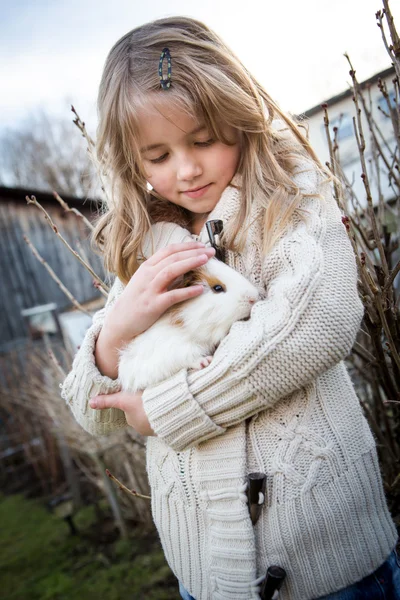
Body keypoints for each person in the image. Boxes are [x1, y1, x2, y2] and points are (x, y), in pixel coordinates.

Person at [60, 16, 399, 600]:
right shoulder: (151, 249)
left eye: (203, 140)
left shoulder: (292, 202)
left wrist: (166, 409)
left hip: (333, 565)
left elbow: (314, 329)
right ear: (130, 161)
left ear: (239, 119)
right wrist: (114, 333)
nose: (185, 170)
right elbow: (94, 411)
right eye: (158, 155)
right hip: (209, 578)